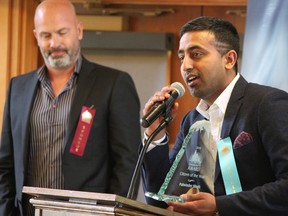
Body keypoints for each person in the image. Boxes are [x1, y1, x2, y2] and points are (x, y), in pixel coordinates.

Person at [0, 0, 141, 215]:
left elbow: (127, 163)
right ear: (35, 36)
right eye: (46, 35)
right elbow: (6, 165)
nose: (54, 43)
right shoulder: (17, 88)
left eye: (62, 32)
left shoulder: (114, 84)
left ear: (79, 31)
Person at [141, 16, 288, 216]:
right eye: (182, 57)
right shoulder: (193, 120)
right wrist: (155, 132)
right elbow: (161, 199)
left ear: (229, 59)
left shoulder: (266, 103)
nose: (186, 66)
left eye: (196, 54)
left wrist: (219, 206)